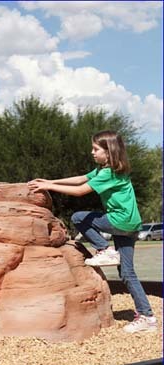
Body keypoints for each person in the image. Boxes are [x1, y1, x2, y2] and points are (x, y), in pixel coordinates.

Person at [28, 130, 157, 334]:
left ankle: (104, 249)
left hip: (120, 222)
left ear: (109, 151)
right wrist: (51, 182)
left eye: (96, 149)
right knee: (127, 272)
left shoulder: (109, 173)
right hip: (130, 225)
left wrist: (49, 186)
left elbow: (81, 190)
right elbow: (81, 179)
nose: (92, 152)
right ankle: (147, 317)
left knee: (78, 217)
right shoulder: (108, 170)